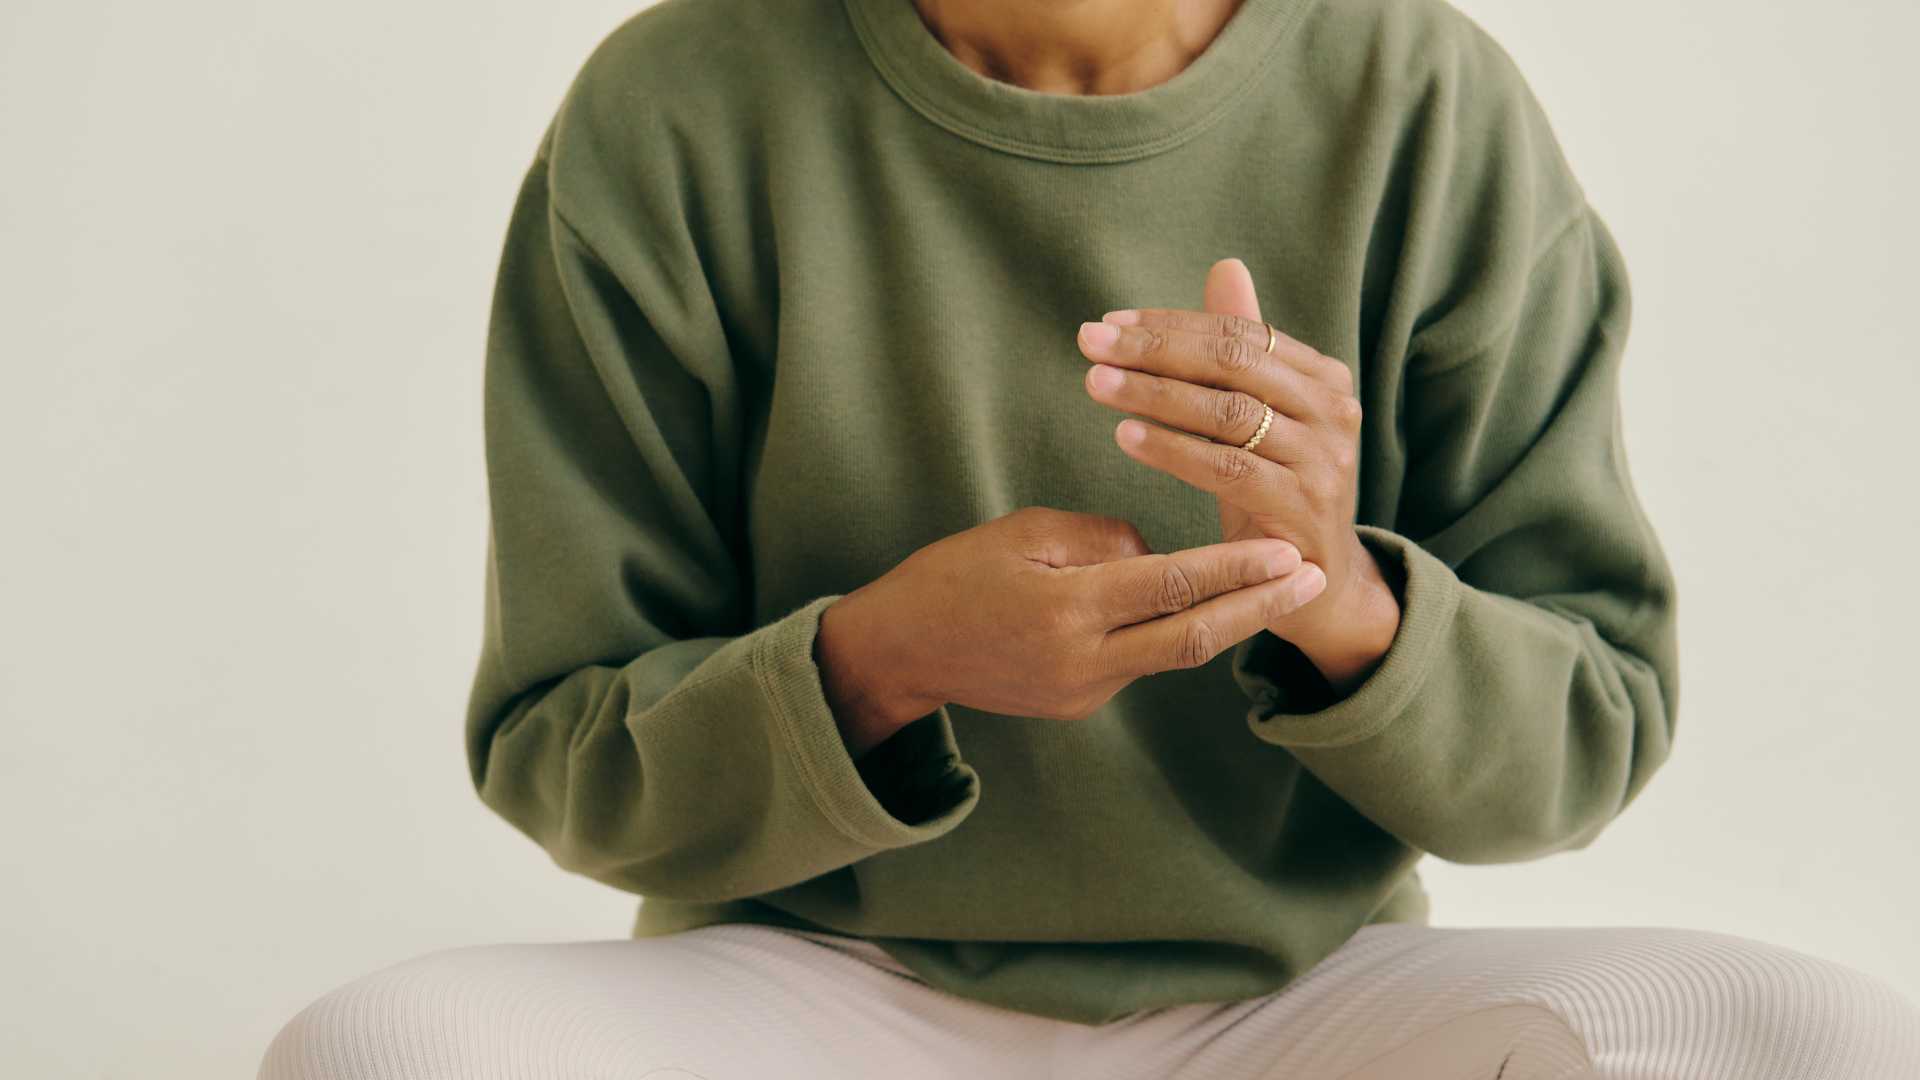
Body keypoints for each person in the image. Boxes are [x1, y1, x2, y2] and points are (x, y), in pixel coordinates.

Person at [257, 0, 1920, 1075]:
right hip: (808, 1000)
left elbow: (1586, 741)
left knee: (1814, 1040)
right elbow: (563, 745)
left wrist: (1343, 597)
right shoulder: (677, 106)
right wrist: (878, 664)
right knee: (378, 1050)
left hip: (1306, 1006)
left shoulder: (1423, 99)